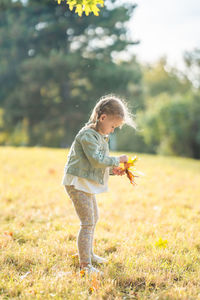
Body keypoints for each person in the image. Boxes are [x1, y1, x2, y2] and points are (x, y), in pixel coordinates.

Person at [62, 94, 137, 275]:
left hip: (85, 181)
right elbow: (96, 160)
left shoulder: (101, 136)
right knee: (87, 222)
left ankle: (89, 254)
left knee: (94, 218)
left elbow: (97, 165)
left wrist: (113, 170)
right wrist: (117, 160)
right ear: (102, 118)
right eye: (112, 126)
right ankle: (85, 265)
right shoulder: (88, 135)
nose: (112, 130)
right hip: (77, 183)